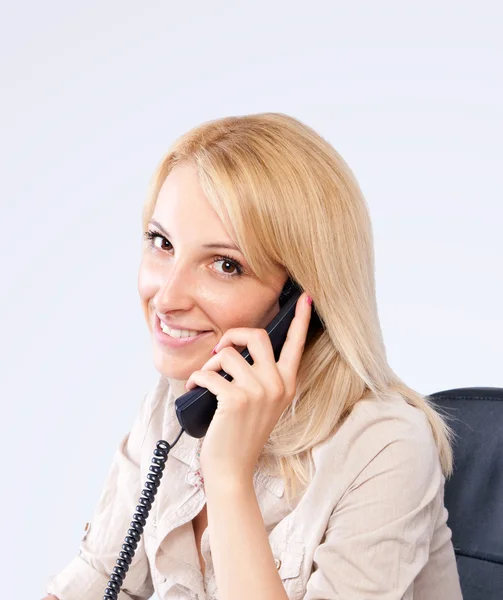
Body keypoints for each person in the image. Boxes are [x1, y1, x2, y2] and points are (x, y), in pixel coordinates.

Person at [43, 113, 462, 600]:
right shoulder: (181, 398)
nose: (167, 297)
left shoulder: (384, 446)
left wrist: (227, 477)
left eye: (225, 265)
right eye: (162, 243)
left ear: (305, 297)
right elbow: (91, 583)